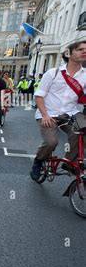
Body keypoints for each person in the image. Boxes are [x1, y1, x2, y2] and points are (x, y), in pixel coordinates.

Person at [30, 40, 86, 180]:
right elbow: (39, 96)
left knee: (83, 131)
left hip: (70, 113)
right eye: (80, 49)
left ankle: (70, 162)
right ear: (69, 53)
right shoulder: (53, 73)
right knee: (51, 142)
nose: (84, 52)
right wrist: (44, 115)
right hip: (49, 113)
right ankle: (38, 161)